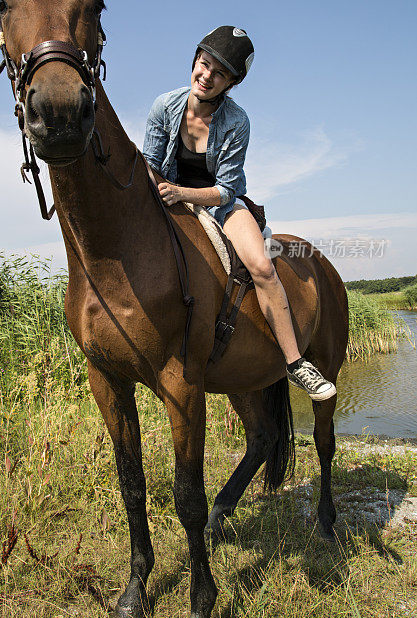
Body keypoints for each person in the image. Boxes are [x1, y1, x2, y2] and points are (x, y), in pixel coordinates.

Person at [143, 26, 336, 401]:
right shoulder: (164, 106)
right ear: (195, 61)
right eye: (204, 64)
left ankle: (296, 363)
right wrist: (163, 193)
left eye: (219, 73)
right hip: (166, 199)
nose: (206, 76)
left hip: (220, 204)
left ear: (231, 83)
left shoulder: (237, 121)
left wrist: (182, 192)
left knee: (263, 267)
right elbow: (150, 163)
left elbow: (227, 188)